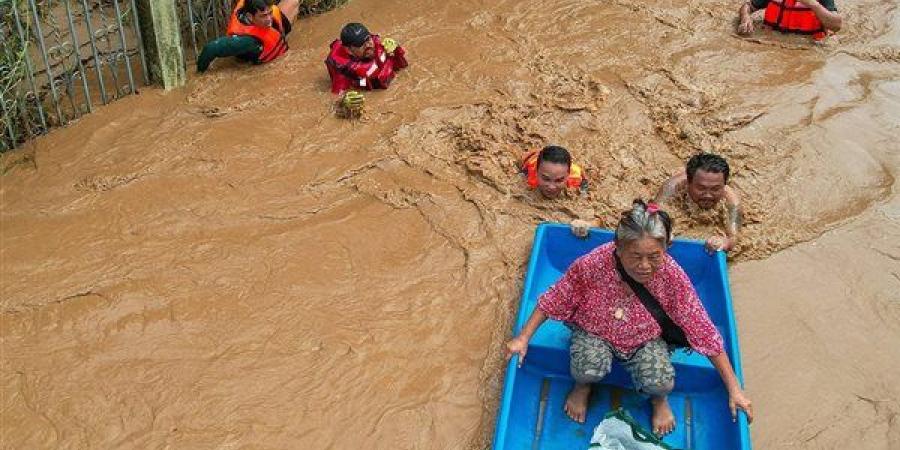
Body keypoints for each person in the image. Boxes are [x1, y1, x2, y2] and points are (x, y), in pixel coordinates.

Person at [506, 201, 753, 435]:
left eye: (654, 256)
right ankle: (582, 388)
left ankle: (659, 401)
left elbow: (701, 329)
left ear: (667, 247)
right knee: (586, 369)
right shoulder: (594, 263)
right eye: (635, 256)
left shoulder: (673, 276)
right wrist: (523, 338)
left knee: (661, 383)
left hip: (645, 339)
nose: (644, 265)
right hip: (594, 331)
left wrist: (734, 389)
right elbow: (557, 296)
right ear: (618, 247)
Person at [652, 153, 742, 253]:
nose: (708, 195)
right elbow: (653, 217)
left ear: (724, 185)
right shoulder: (672, 188)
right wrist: (662, 232)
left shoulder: (731, 201)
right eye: (701, 188)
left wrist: (723, 243)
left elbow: (734, 237)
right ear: (688, 183)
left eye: (715, 189)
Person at [325, 23, 408, 115]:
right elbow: (335, 97)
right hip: (365, 86)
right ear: (349, 50)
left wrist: (397, 49)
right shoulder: (344, 72)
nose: (368, 45)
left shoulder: (380, 46)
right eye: (360, 44)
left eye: (368, 39)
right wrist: (344, 103)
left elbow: (403, 66)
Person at [196, 0, 299, 72]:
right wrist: (199, 73)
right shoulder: (246, 42)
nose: (269, 19)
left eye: (270, 13)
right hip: (253, 56)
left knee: (293, 2)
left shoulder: (261, 12)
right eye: (263, 16)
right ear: (250, 16)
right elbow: (211, 48)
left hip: (274, 35)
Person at [737, 0, 841, 40]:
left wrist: (813, 4)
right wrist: (745, 18)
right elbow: (748, 5)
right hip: (771, 42)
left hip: (808, 47)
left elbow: (837, 25)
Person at [520, 146, 587, 200]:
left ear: (568, 176)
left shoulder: (576, 178)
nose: (551, 187)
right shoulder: (529, 172)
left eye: (559, 180)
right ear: (536, 173)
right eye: (546, 179)